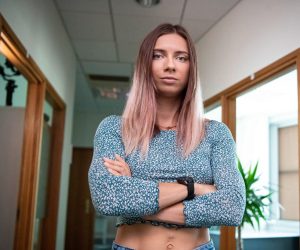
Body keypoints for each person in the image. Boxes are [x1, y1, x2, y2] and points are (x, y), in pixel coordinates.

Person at [88, 23, 246, 250]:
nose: (170, 65)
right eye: (158, 55)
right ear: (145, 65)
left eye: (181, 58)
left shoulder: (215, 133)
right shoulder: (114, 129)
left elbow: (232, 207)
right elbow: (107, 197)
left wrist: (134, 188)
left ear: (192, 68)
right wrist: (194, 188)